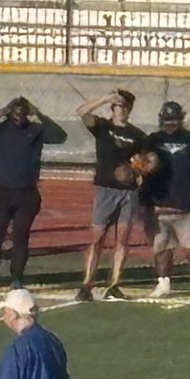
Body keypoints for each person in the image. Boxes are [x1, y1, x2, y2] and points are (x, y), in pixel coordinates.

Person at [0, 96, 68, 291]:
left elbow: (60, 136)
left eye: (23, 112)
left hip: (27, 193)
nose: (20, 116)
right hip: (2, 191)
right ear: (9, 113)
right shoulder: (0, 129)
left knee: (20, 236)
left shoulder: (35, 130)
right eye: (15, 112)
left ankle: (16, 277)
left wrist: (39, 113)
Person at [75, 89, 148, 301]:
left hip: (128, 192)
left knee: (122, 239)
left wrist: (140, 172)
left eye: (125, 107)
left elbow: (143, 161)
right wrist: (105, 97)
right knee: (97, 238)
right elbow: (81, 112)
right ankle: (87, 283)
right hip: (106, 189)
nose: (122, 110)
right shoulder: (103, 127)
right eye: (118, 106)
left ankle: (115, 283)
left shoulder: (137, 135)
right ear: (113, 108)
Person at [142, 100, 190, 299]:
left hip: (188, 207)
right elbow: (138, 165)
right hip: (158, 206)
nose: (170, 124)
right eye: (167, 120)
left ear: (181, 119)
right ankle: (163, 283)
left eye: (174, 120)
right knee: (161, 248)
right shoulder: (151, 141)